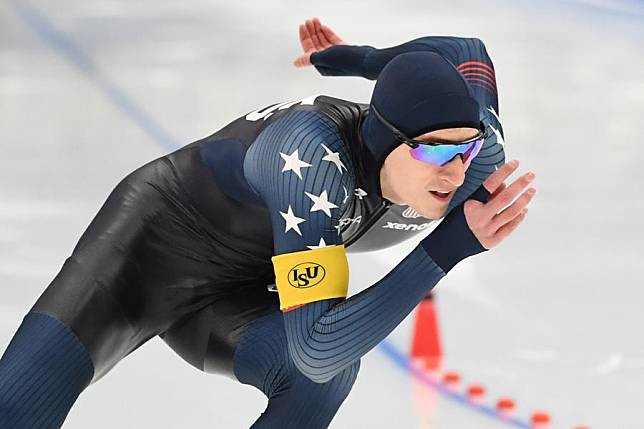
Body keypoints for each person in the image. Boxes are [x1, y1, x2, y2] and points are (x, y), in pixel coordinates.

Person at [0, 17, 536, 429]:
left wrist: (353, 58)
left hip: (242, 289)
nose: (455, 170)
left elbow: (466, 53)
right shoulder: (310, 160)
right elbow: (318, 344)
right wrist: (447, 248)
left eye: (463, 149)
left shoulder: (480, 152)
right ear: (385, 138)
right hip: (145, 254)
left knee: (315, 381)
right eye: (433, 153)